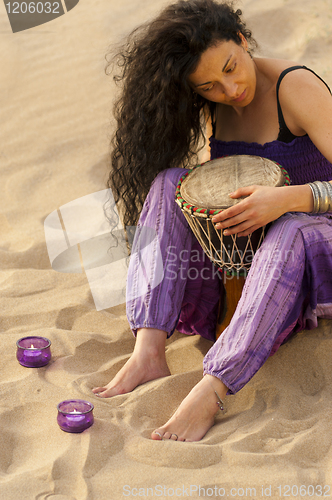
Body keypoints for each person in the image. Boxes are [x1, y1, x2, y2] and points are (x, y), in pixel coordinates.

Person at [92, 0, 332, 442]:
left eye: (230, 67)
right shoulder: (213, 106)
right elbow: (215, 188)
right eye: (209, 86)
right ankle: (149, 349)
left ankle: (213, 388)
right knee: (169, 184)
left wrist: (288, 199)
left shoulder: (294, 87)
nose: (230, 88)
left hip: (315, 241)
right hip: (252, 258)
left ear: (243, 41)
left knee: (290, 227)